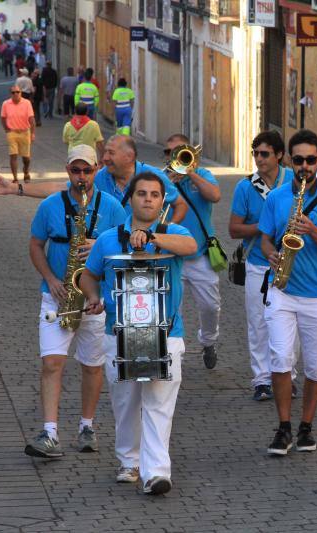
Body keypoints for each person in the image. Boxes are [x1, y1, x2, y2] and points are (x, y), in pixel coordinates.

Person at [80, 171, 197, 494]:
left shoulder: (174, 232)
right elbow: (89, 275)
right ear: (130, 199)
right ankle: (129, 461)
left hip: (166, 334)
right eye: (141, 193)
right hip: (117, 334)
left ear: (162, 202)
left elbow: (190, 245)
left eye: (154, 194)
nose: (147, 199)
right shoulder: (107, 239)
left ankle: (156, 472)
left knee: (159, 403)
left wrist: (152, 238)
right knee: (126, 402)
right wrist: (93, 297)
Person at [23, 144, 126, 458]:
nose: (81, 177)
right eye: (75, 170)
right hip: (58, 294)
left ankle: (87, 426)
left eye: (87, 170)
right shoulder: (51, 205)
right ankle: (49, 432)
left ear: (96, 170)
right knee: (52, 362)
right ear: (67, 171)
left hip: (94, 298)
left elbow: (124, 247)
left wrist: (101, 244)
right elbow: (36, 245)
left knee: (92, 367)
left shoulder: (111, 206)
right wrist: (52, 279)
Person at [259, 129, 317, 456]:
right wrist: (269, 252)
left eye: (311, 160)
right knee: (280, 358)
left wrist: (313, 231)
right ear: (289, 161)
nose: (305, 166)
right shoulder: (278, 197)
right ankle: (283, 427)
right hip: (282, 289)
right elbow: (265, 237)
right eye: (299, 160)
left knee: (316, 368)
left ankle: (306, 425)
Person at [0, 135, 187, 222]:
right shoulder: (101, 178)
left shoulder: (154, 177)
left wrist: (165, 230)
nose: (104, 158)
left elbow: (180, 205)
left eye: (110, 153)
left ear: (129, 157)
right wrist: (16, 188)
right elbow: (60, 188)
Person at [229, 130, 294, 400]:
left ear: (279, 155)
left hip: (291, 264)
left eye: (264, 153)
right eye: (255, 153)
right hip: (258, 263)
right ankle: (262, 379)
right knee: (258, 323)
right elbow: (234, 229)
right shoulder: (246, 187)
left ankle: (288, 375)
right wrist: (265, 226)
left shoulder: (292, 180)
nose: (258, 159)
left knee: (291, 324)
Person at [164, 133, 222, 369]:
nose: (173, 156)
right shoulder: (161, 179)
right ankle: (174, 355)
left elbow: (216, 196)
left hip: (200, 256)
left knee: (210, 306)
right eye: (168, 152)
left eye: (178, 152)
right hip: (171, 255)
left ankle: (208, 341)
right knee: (171, 308)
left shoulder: (203, 175)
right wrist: (168, 182)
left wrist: (191, 174)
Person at [0, 84, 35, 182]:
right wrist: (6, 129)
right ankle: (15, 178)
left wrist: (32, 133)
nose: (15, 94)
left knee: (26, 158)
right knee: (13, 155)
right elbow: (3, 118)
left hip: (25, 132)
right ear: (10, 94)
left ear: (21, 93)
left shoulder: (27, 103)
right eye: (13, 92)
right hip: (12, 132)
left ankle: (26, 171)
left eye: (17, 92)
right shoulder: (6, 104)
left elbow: (32, 119)